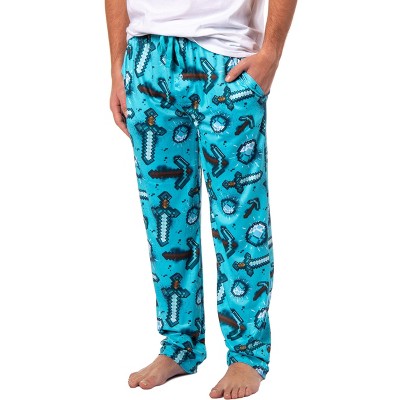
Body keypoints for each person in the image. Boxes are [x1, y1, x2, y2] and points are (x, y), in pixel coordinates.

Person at [105, 0, 297, 398]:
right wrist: (117, 66)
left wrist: (271, 54)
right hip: (147, 55)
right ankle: (180, 343)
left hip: (225, 56)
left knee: (239, 216)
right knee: (165, 215)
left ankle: (247, 353)